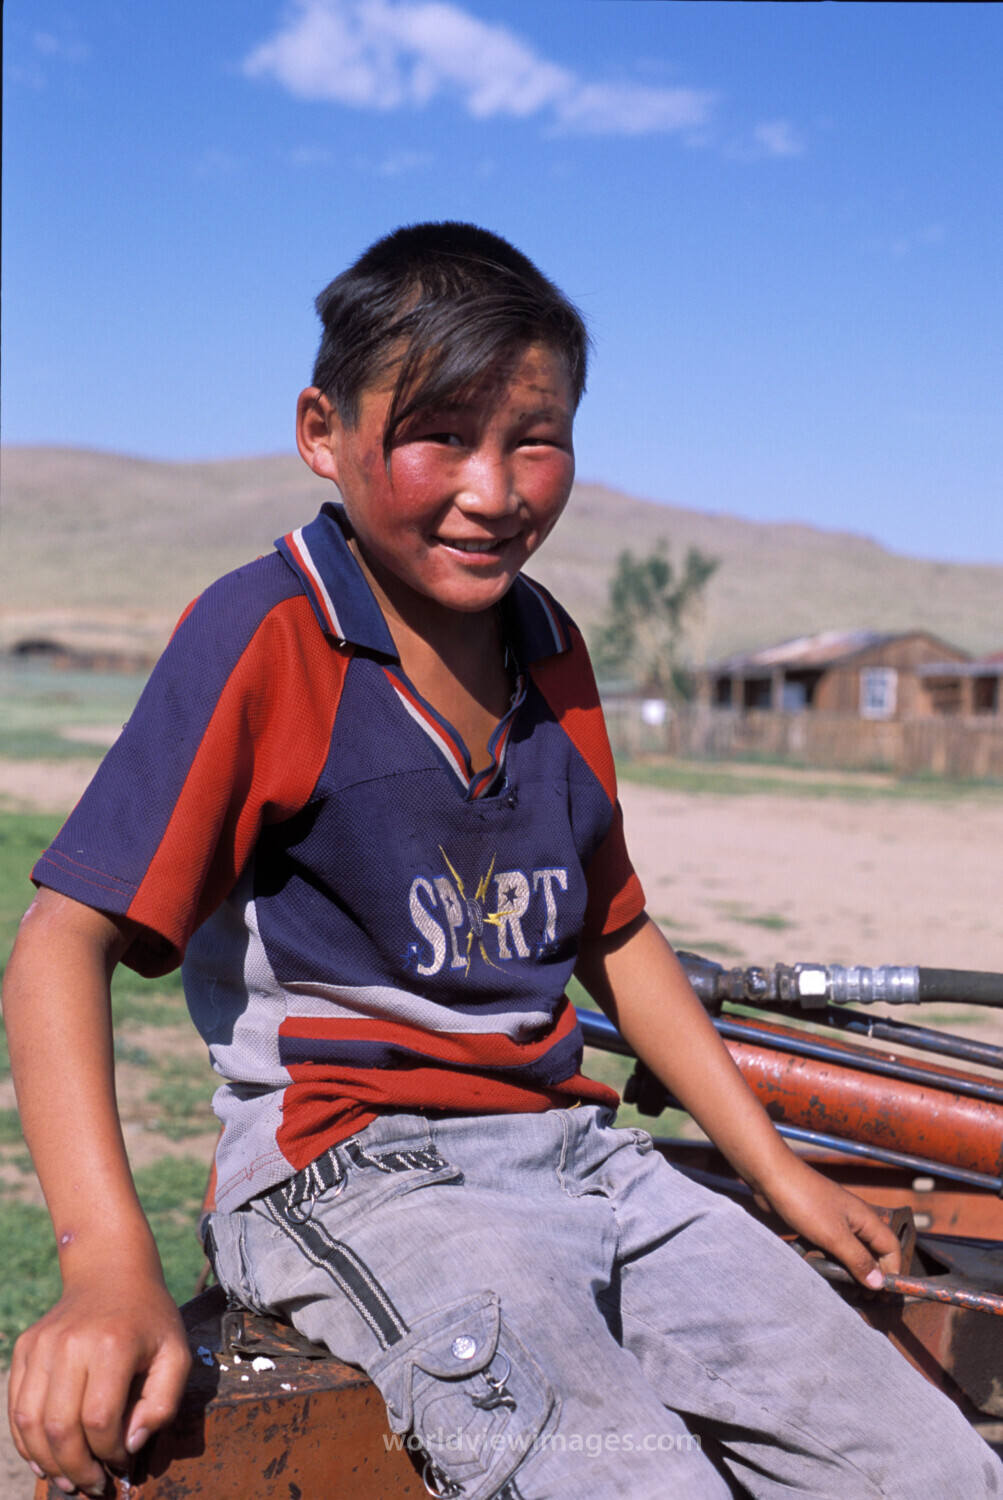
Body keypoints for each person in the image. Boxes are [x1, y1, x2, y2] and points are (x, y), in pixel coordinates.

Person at [4, 222, 1000, 1500]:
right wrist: (102, 1265)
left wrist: (776, 1172)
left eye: (535, 439)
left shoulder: (549, 648)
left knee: (935, 1468)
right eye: (439, 435)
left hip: (579, 1157)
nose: (493, 489)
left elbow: (615, 932)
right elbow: (61, 941)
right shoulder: (268, 634)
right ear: (323, 432)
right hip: (357, 1169)